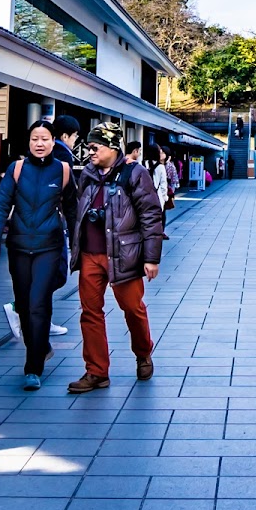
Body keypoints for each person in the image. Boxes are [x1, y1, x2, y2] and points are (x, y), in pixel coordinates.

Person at [66, 120, 165, 393]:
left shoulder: (134, 173)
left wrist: (151, 257)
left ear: (112, 147)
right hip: (90, 254)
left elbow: (151, 215)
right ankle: (97, 371)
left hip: (125, 255)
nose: (90, 152)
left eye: (95, 146)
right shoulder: (87, 172)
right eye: (88, 147)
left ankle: (143, 353)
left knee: (132, 309)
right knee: (90, 312)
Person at [0, 118, 72, 390]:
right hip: (20, 246)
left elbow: (74, 211)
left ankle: (32, 367)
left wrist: (83, 246)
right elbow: (1, 205)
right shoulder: (17, 169)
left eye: (45, 139)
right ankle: (42, 345)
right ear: (29, 141)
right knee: (23, 304)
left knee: (38, 302)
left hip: (49, 245)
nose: (40, 143)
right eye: (35, 138)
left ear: (53, 141)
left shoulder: (63, 170)